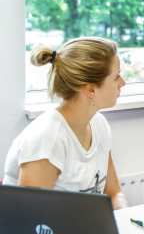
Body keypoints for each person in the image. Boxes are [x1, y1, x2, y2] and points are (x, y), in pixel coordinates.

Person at [3, 37, 127, 209]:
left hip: (83, 230)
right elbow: (32, 223)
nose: (123, 83)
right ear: (90, 89)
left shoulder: (99, 124)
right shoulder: (47, 139)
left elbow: (114, 193)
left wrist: (122, 221)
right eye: (116, 76)